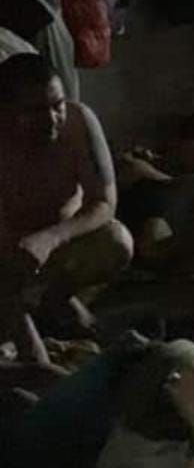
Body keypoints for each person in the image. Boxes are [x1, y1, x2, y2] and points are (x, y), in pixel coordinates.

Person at [0, 55, 132, 360]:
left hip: (57, 248)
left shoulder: (78, 122)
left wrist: (50, 238)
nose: (51, 120)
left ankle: (55, 300)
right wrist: (35, 355)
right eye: (34, 111)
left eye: (57, 105)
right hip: (6, 260)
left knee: (116, 241)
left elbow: (104, 202)